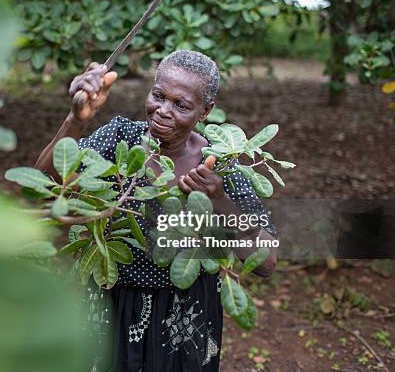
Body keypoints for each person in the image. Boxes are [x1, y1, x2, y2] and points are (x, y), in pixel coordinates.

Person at [35, 50, 277, 372]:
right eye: (158, 95)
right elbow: (47, 181)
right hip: (112, 300)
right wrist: (75, 119)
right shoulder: (121, 137)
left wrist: (218, 199)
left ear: (205, 111)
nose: (163, 111)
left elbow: (266, 261)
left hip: (186, 313)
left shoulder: (221, 164)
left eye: (181, 105)